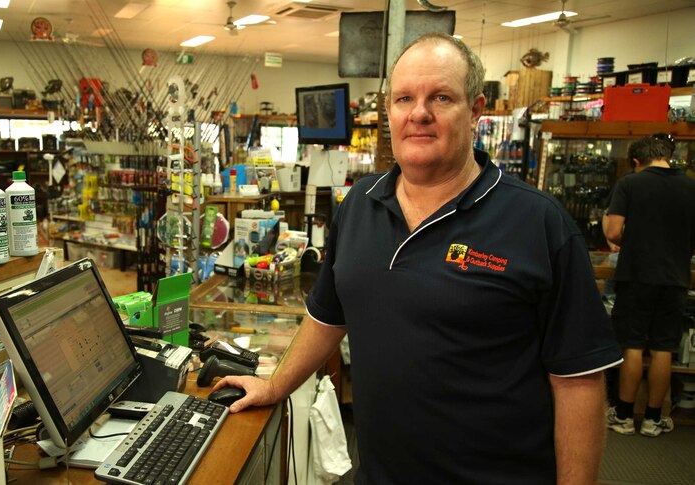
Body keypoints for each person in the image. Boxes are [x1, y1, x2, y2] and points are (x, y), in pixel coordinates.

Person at [214, 33, 621, 483]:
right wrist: (275, 386)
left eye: (441, 97)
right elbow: (327, 317)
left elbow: (578, 380)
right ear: (389, 110)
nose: (419, 113)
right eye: (405, 97)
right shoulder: (359, 205)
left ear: (477, 109)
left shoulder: (538, 224)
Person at [603, 134, 695, 437]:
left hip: (636, 274)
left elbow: (614, 231)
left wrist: (634, 241)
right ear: (669, 155)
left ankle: (625, 416)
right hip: (675, 278)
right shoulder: (690, 186)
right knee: (663, 348)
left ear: (637, 161)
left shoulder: (631, 183)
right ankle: (655, 419)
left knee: (632, 346)